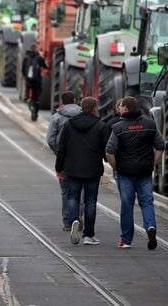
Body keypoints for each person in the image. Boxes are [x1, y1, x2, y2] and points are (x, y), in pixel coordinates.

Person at [106, 96, 165, 250]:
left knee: (127, 204)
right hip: (144, 171)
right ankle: (150, 227)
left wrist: (116, 167)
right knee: (146, 202)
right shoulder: (150, 124)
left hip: (125, 172)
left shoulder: (118, 127)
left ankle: (126, 240)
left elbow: (109, 152)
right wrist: (153, 163)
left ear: (125, 108)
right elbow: (160, 146)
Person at [55, 97, 110, 245]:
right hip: (93, 168)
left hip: (72, 167)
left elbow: (61, 148)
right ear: (94, 109)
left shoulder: (69, 125)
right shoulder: (101, 126)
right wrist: (107, 160)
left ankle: (74, 221)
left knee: (73, 197)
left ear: (81, 108)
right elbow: (106, 149)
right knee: (90, 201)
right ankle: (88, 235)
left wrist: (59, 167)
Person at [47, 91, 82, 231]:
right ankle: (79, 217)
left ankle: (69, 222)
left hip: (64, 159)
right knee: (81, 190)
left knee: (66, 191)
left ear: (62, 102)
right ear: (74, 100)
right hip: (82, 159)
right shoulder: (83, 116)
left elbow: (50, 139)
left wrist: (58, 152)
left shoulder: (56, 118)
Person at [21, 44, 48, 121]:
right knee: (37, 98)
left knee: (29, 97)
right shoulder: (39, 58)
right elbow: (46, 67)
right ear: (37, 50)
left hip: (28, 81)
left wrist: (26, 78)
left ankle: (31, 107)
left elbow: (23, 70)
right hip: (37, 81)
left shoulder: (26, 58)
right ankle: (35, 112)